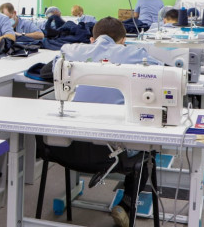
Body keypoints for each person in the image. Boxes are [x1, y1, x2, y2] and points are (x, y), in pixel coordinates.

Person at [53, 17, 160, 227]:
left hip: (65, 149)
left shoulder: (69, 51)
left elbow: (52, 71)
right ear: (123, 41)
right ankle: (126, 204)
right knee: (147, 150)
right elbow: (162, 74)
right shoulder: (135, 54)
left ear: (92, 39)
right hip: (114, 154)